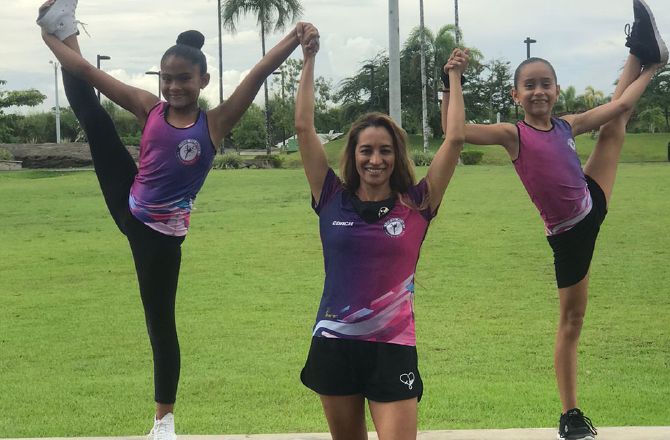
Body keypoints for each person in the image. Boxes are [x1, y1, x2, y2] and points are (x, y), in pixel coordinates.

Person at [37, 1, 319, 438]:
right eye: (167, 78)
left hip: (160, 239)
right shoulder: (148, 107)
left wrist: (292, 38)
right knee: (92, 115)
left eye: (183, 79)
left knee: (160, 322)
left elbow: (257, 75)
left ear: (202, 80)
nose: (173, 87)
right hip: (128, 199)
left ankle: (164, 421)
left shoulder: (215, 124)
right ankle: (63, 23)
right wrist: (51, 39)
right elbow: (90, 75)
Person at [440, 1, 668, 439]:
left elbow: (619, 104)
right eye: (529, 86)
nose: (538, 91)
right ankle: (570, 415)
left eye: (546, 84)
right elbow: (457, 131)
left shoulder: (567, 125)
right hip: (569, 237)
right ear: (516, 95)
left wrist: (650, 73)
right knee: (572, 321)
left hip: (590, 197)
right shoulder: (513, 135)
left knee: (615, 124)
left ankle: (641, 50)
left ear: (557, 90)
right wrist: (452, 79)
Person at [294, 33, 468, 439]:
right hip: (335, 342)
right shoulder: (330, 195)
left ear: (397, 155)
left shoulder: (418, 203)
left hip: (392, 346)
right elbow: (304, 128)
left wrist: (454, 78)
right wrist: (309, 59)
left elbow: (455, 139)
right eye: (366, 150)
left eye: (385, 150)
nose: (375, 159)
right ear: (353, 155)